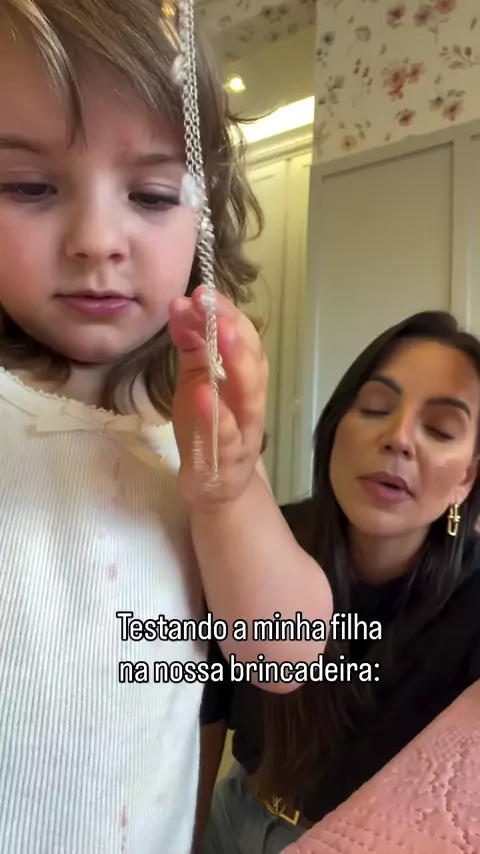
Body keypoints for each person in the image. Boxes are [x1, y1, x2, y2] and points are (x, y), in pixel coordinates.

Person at [0, 3, 334, 853]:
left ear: (206, 215)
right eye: (29, 186)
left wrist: (227, 493)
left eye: (152, 195)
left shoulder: (185, 430)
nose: (96, 241)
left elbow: (284, 655)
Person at [201, 310, 480, 854]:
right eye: (375, 408)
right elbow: (207, 709)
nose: (399, 438)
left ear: (466, 479)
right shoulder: (263, 540)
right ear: (334, 429)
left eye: (441, 430)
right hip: (231, 815)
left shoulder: (471, 598)